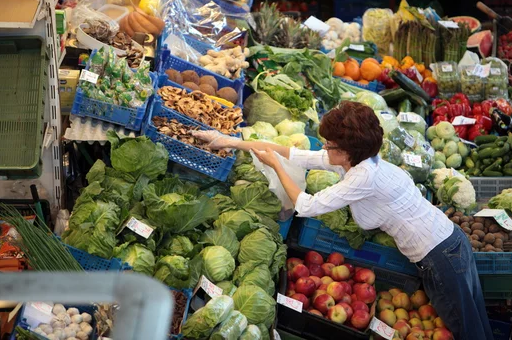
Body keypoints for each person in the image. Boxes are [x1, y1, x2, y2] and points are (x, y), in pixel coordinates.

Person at [194, 101, 493, 340]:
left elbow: (306, 205)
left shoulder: (363, 177)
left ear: (347, 150)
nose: (324, 147)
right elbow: (291, 153)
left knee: (466, 330)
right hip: (450, 242)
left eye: (330, 144)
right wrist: (227, 141)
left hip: (440, 256)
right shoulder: (362, 161)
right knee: (474, 323)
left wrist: (277, 168)